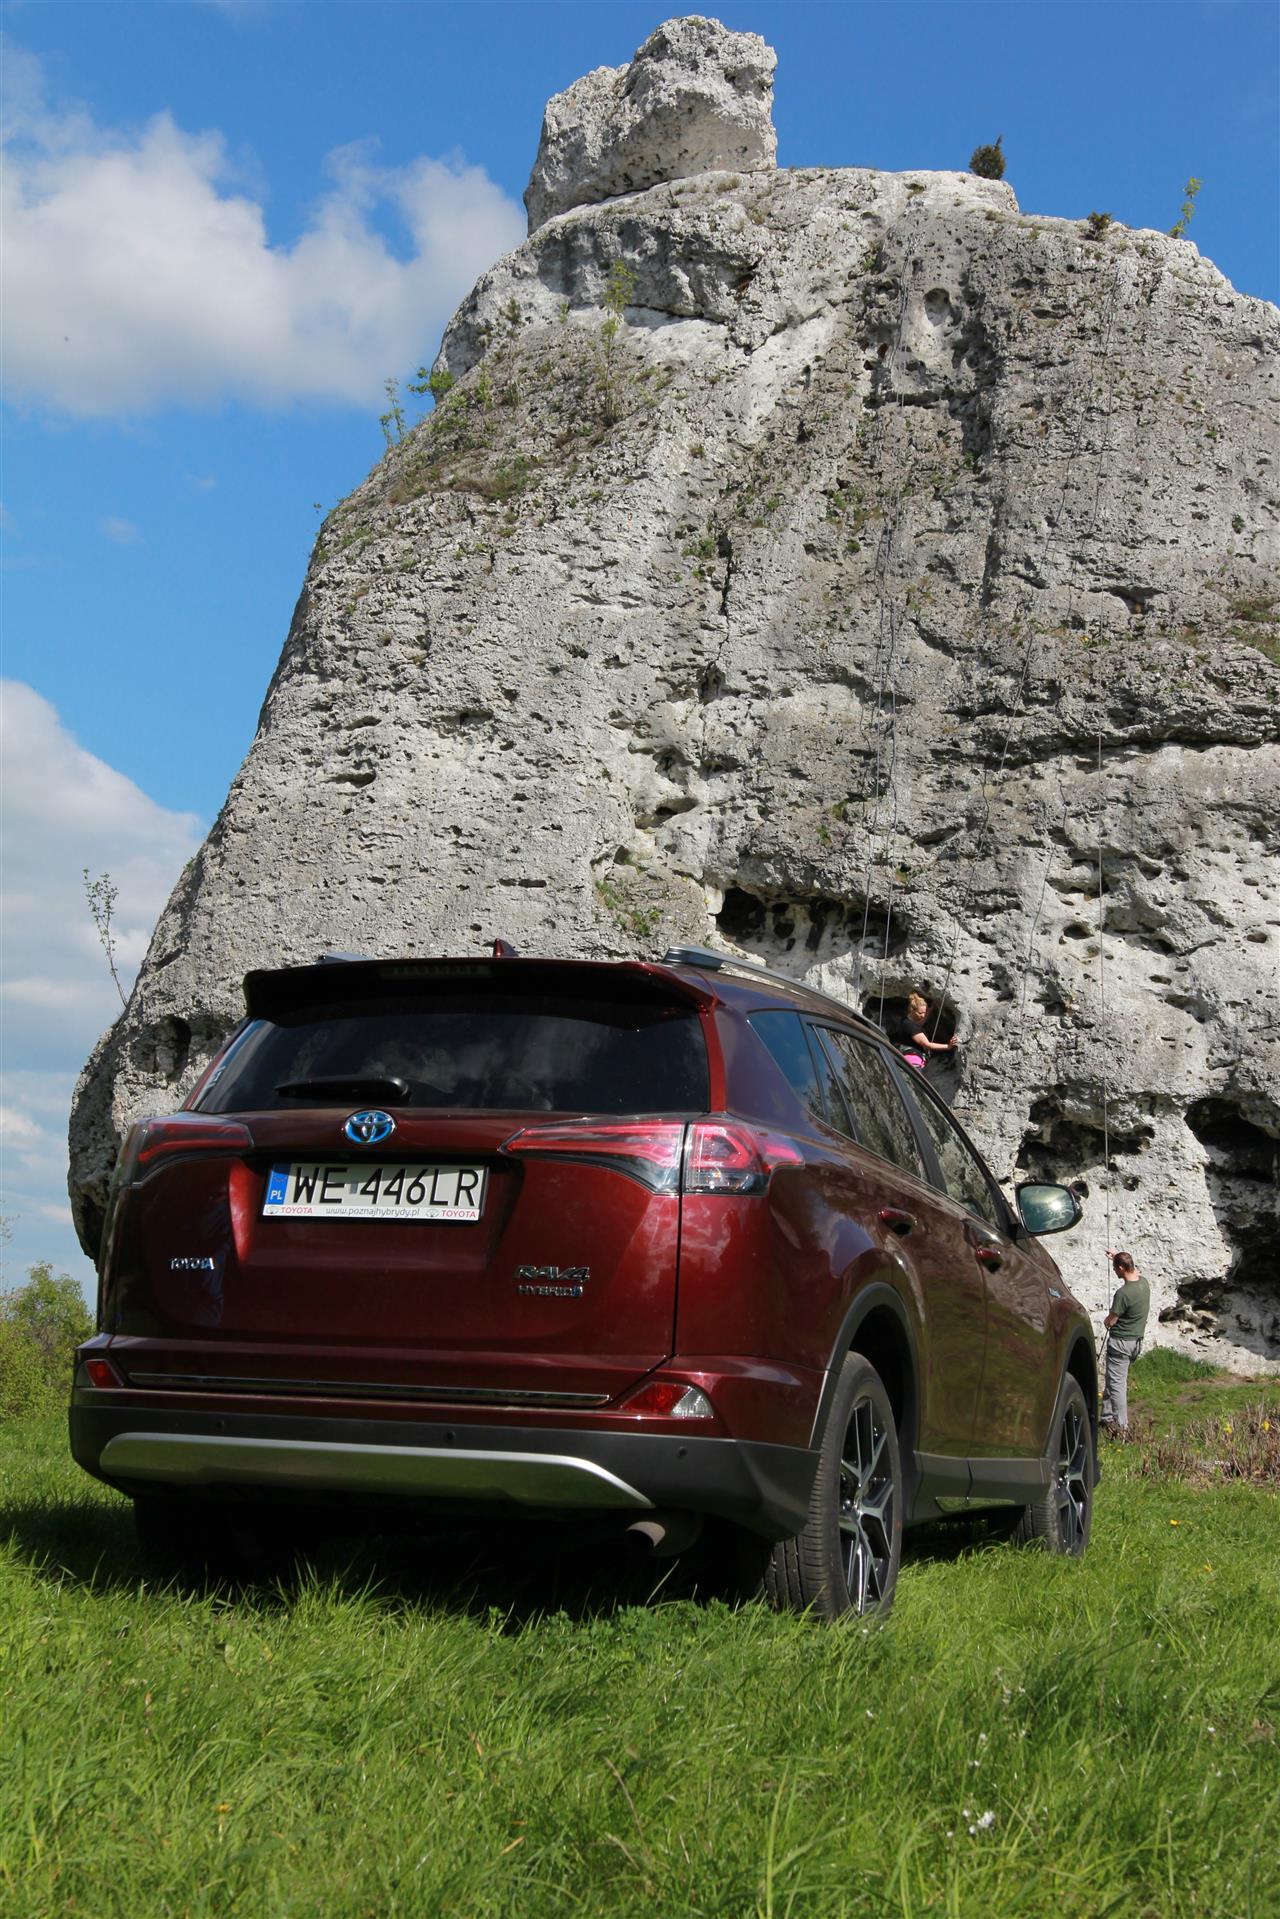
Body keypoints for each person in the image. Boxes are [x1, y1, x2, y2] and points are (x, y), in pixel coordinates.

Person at [1100, 1250, 1150, 1437]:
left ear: (1121, 1268)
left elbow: (1112, 1320)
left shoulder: (1123, 1294)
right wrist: (1116, 1257)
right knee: (1113, 1379)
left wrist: (1106, 1321)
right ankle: (1106, 1417)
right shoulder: (1144, 1283)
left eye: (1115, 1268)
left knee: (1117, 1385)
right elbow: (1135, 1271)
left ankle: (1122, 1429)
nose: (1114, 1271)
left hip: (1121, 1343)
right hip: (1136, 1343)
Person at [889, 992, 958, 1071]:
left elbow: (921, 1022)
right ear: (912, 1010)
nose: (923, 1015)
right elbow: (927, 1045)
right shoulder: (911, 1027)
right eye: (920, 1013)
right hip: (913, 1060)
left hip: (907, 1057)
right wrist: (948, 1046)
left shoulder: (906, 1020)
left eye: (924, 1012)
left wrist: (932, 1007)